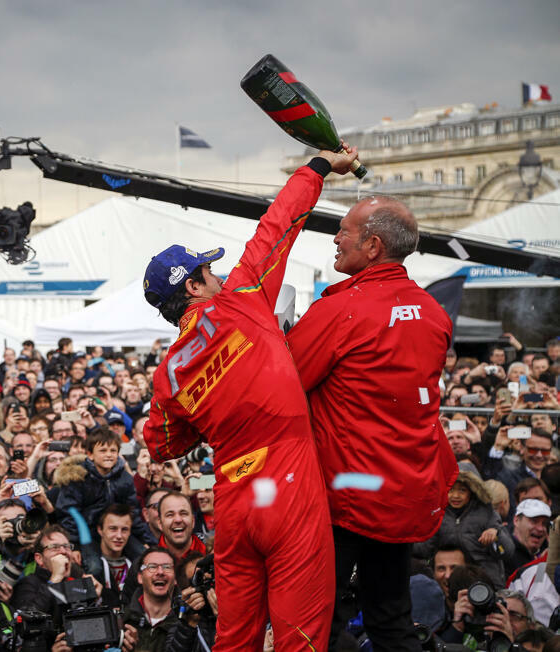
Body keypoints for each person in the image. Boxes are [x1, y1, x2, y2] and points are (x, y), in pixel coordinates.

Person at [143, 147, 359, 649]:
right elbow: (279, 224)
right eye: (208, 273)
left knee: (235, 638)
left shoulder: (168, 373)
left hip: (235, 501)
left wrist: (210, 414)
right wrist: (321, 165)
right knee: (300, 636)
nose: (218, 277)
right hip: (288, 487)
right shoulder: (241, 299)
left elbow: (163, 445)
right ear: (195, 285)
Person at [286, 194, 458, 649]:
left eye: (344, 230)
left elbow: (284, 380)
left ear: (374, 245)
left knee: (317, 624)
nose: (336, 237)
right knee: (390, 617)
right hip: (402, 495)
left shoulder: (342, 311)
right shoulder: (434, 313)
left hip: (345, 498)